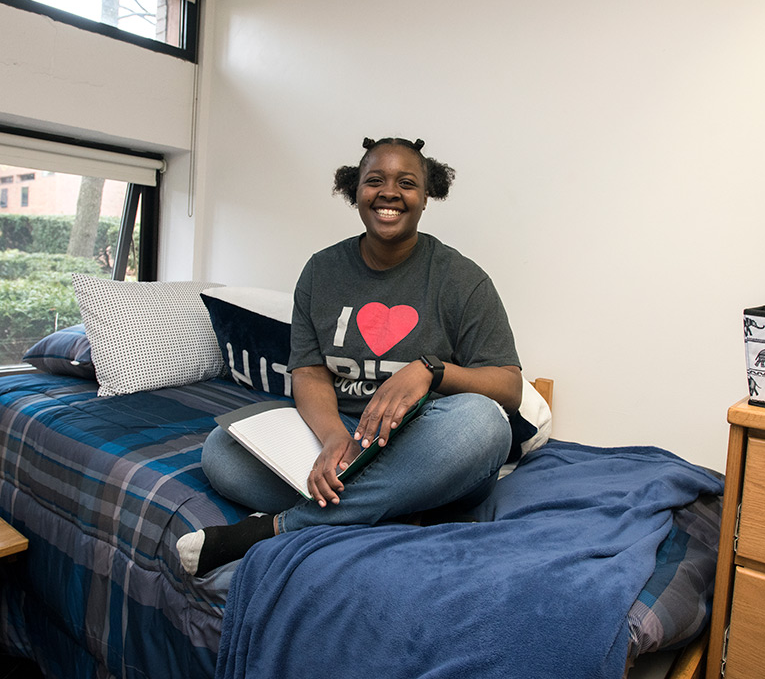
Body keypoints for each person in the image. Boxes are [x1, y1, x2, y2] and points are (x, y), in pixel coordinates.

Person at [178, 137, 523, 577]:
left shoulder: (461, 279)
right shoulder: (322, 271)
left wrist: (431, 371)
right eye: (374, 180)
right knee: (221, 451)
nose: (389, 193)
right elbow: (308, 371)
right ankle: (388, 512)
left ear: (426, 196)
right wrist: (331, 438)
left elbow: (509, 388)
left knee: (484, 424)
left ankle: (278, 529)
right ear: (354, 191)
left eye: (407, 183)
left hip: (425, 449)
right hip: (343, 444)